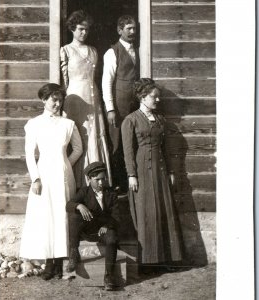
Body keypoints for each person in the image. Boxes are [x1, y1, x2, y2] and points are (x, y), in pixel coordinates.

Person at [19, 83, 83, 280]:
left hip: (63, 175)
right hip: (43, 174)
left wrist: (66, 164)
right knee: (45, 216)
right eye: (53, 99)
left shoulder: (68, 124)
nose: (57, 103)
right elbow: (30, 153)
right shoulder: (34, 124)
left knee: (62, 215)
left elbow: (78, 149)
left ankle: (59, 262)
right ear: (43, 100)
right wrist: (35, 178)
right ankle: (48, 263)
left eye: (60, 99)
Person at [121, 78, 183, 268]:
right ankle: (148, 262)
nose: (157, 100)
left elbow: (165, 148)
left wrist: (171, 171)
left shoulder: (160, 119)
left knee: (164, 211)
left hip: (161, 170)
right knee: (146, 212)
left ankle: (167, 259)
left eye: (158, 97)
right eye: (153, 97)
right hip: (141, 172)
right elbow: (128, 150)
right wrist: (131, 174)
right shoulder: (130, 120)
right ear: (142, 97)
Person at [60, 10, 112, 189]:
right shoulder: (66, 50)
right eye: (81, 29)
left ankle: (96, 182)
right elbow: (64, 79)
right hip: (75, 98)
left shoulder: (94, 51)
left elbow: (95, 76)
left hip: (93, 96)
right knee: (79, 137)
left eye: (87, 30)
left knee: (95, 134)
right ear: (73, 29)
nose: (84, 33)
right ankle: (79, 183)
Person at [65, 161, 119, 291]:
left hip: (104, 231)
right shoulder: (84, 192)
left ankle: (109, 276)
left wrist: (107, 225)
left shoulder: (111, 193)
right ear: (89, 179)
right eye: (97, 180)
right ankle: (73, 253)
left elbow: (117, 215)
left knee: (112, 239)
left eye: (103, 179)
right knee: (74, 215)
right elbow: (68, 205)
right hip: (88, 232)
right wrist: (79, 205)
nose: (101, 183)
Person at [102, 15, 140, 193]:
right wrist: (110, 108)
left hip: (134, 105)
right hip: (118, 106)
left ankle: (129, 179)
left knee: (132, 140)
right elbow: (106, 82)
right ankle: (117, 183)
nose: (132, 32)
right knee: (117, 143)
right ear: (119, 30)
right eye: (128, 29)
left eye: (134, 28)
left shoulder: (138, 50)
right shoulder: (112, 52)